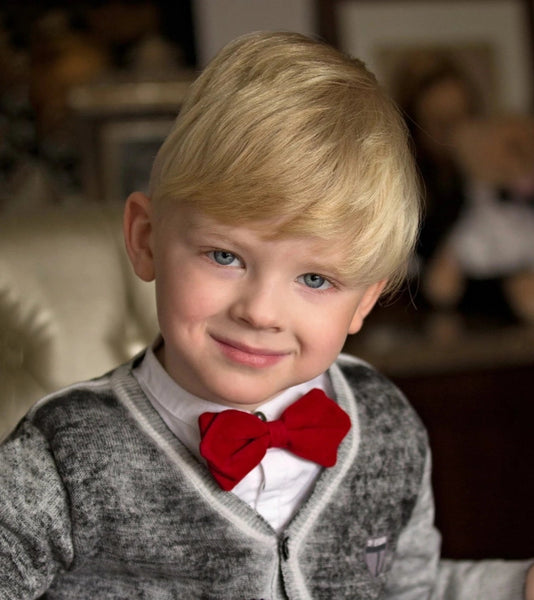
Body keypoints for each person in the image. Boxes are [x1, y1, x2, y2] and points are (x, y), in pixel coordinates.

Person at [0, 31, 532, 599]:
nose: (260, 311)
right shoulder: (64, 454)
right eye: (225, 256)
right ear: (146, 239)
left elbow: (408, 591)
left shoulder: (385, 426)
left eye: (314, 279)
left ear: (365, 301)